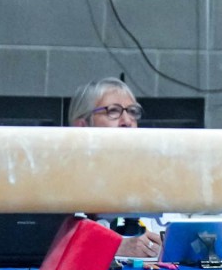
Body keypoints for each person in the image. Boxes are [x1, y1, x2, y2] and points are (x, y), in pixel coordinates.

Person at [68, 78, 162, 260]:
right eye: (113, 111)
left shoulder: (159, 173)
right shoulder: (62, 176)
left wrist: (164, 245)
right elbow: (53, 239)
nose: (127, 121)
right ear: (82, 125)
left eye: (132, 111)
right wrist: (114, 247)